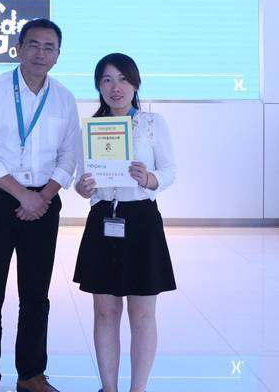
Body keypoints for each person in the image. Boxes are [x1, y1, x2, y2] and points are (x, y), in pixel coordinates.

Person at [0, 18, 81, 392]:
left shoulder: (64, 98)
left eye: (50, 47)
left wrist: (43, 197)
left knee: (36, 294)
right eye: (34, 44)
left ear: (58, 55)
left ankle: (31, 374)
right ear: (18, 48)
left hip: (44, 203)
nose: (41, 53)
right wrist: (23, 195)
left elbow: (69, 156)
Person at [74, 53, 176, 392]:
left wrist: (148, 179)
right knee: (105, 311)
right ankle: (109, 388)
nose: (115, 87)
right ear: (98, 86)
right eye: (106, 80)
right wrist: (83, 187)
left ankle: (138, 389)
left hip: (142, 220)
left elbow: (169, 170)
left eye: (122, 79)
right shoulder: (91, 128)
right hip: (103, 218)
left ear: (135, 83)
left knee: (142, 313)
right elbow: (81, 179)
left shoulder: (151, 123)